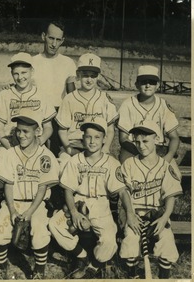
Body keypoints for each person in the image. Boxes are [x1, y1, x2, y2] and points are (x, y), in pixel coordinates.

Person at [48, 117, 140, 279]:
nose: (92, 141)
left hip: (100, 204)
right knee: (54, 224)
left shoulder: (111, 163)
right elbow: (68, 191)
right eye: (88, 136)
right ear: (82, 138)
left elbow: (123, 192)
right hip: (78, 202)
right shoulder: (75, 160)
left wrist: (130, 213)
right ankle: (82, 256)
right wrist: (74, 212)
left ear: (104, 139)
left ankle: (94, 265)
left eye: (97, 137)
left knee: (109, 240)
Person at [0, 108, 60, 280]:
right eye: (18, 131)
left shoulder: (46, 156)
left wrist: (29, 213)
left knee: (39, 231)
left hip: (37, 204)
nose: (21, 135)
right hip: (13, 201)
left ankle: (39, 271)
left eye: (26, 131)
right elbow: (8, 184)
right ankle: (0, 268)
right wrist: (12, 210)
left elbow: (42, 189)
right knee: (0, 228)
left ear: (37, 131)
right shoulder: (10, 154)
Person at [0, 52, 56, 214]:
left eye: (24, 73)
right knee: (0, 161)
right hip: (10, 144)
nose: (20, 77)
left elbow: (48, 127)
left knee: (46, 166)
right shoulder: (5, 95)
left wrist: (39, 143)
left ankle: (45, 201)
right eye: (16, 73)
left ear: (32, 71)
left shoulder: (41, 94)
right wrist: (9, 147)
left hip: (34, 145)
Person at [119, 120, 182, 279]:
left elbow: (171, 196)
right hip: (134, 213)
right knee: (131, 242)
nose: (141, 145)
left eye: (145, 141)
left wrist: (164, 218)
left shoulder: (164, 166)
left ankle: (163, 276)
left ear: (157, 139)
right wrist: (130, 215)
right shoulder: (129, 164)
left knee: (167, 241)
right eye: (137, 141)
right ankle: (132, 275)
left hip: (157, 214)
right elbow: (124, 192)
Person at [55, 52, 118, 163]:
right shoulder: (69, 99)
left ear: (98, 76)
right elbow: (62, 130)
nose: (89, 79)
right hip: (74, 145)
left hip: (98, 146)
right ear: (78, 75)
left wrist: (106, 147)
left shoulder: (104, 99)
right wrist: (68, 148)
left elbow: (110, 129)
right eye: (85, 75)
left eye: (93, 75)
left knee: (111, 166)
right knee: (64, 163)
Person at [117, 65, 180, 165]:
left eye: (152, 82)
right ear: (137, 84)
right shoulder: (127, 104)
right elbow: (123, 139)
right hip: (133, 148)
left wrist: (168, 157)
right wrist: (142, 154)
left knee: (176, 176)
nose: (148, 85)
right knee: (127, 172)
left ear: (158, 85)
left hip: (158, 149)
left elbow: (174, 137)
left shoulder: (163, 105)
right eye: (143, 82)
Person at [32, 20, 78, 157]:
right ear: (43, 36)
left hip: (59, 113)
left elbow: (72, 94)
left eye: (58, 40)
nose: (54, 44)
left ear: (62, 41)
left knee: (58, 154)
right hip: (37, 112)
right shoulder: (32, 62)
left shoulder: (68, 63)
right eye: (51, 38)